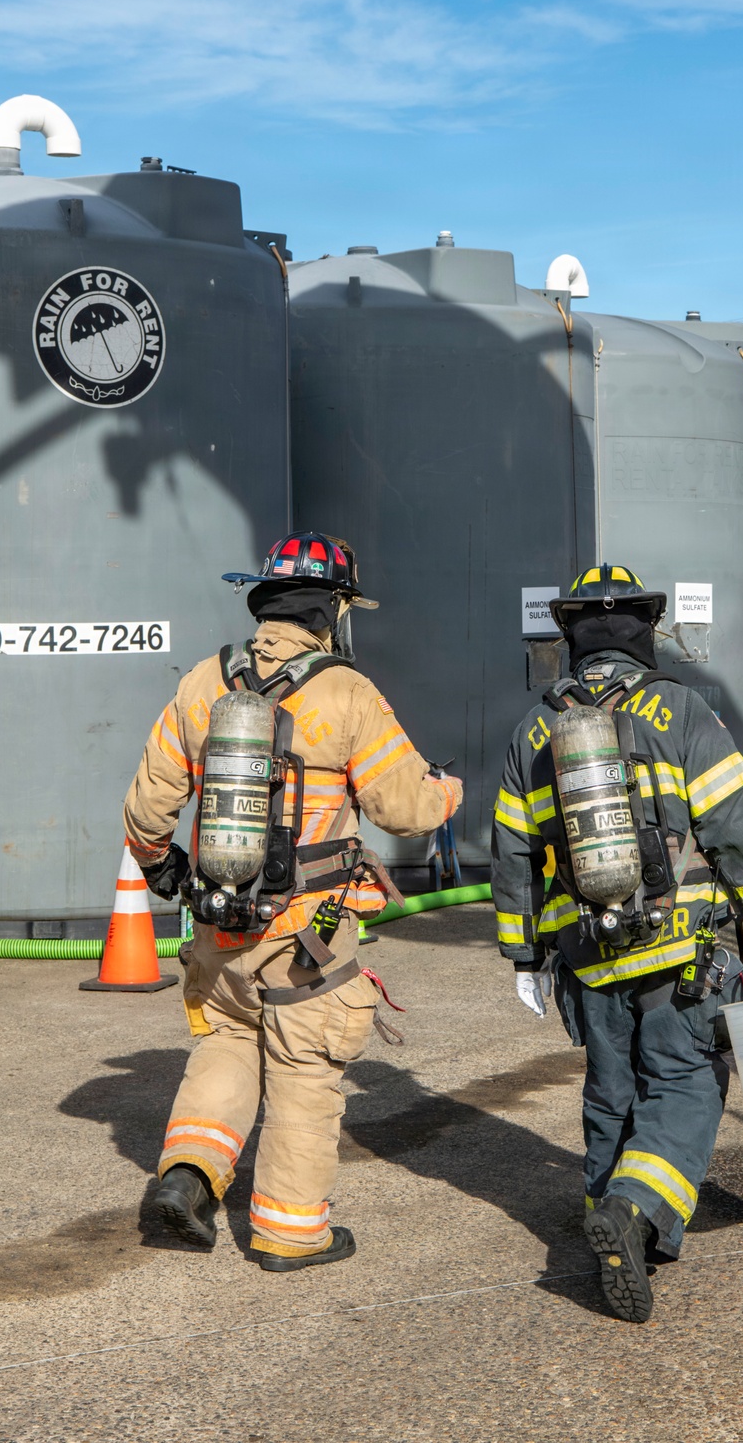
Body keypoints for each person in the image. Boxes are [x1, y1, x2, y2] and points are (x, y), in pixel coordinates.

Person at [124, 532, 462, 1272]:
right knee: (306, 1071)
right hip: (310, 929)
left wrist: (163, 869)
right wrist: (447, 790)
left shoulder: (204, 682)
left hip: (218, 919)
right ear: (334, 610)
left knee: (227, 1042)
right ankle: (288, 1234)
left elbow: (149, 805)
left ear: (265, 600)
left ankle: (186, 1177)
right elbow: (404, 808)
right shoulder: (348, 691)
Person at [490, 564, 743, 1323]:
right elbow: (733, 823)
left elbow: (510, 852)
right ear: (642, 632)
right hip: (680, 947)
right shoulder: (681, 709)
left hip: (588, 953)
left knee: (611, 1089)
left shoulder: (535, 728)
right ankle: (633, 1212)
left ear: (572, 639)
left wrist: (525, 957)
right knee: (685, 1084)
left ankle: (609, 1216)